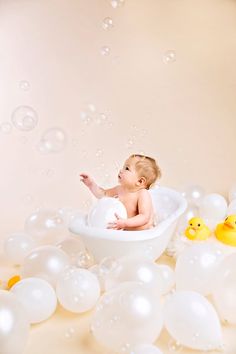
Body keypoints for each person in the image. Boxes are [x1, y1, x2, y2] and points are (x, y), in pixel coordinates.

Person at [80, 154, 161, 231]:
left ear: (140, 181)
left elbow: (144, 217)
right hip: (122, 229)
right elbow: (103, 195)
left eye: (127, 168)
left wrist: (125, 223)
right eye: (123, 167)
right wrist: (91, 184)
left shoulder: (142, 194)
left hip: (139, 233)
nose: (121, 170)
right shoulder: (119, 189)